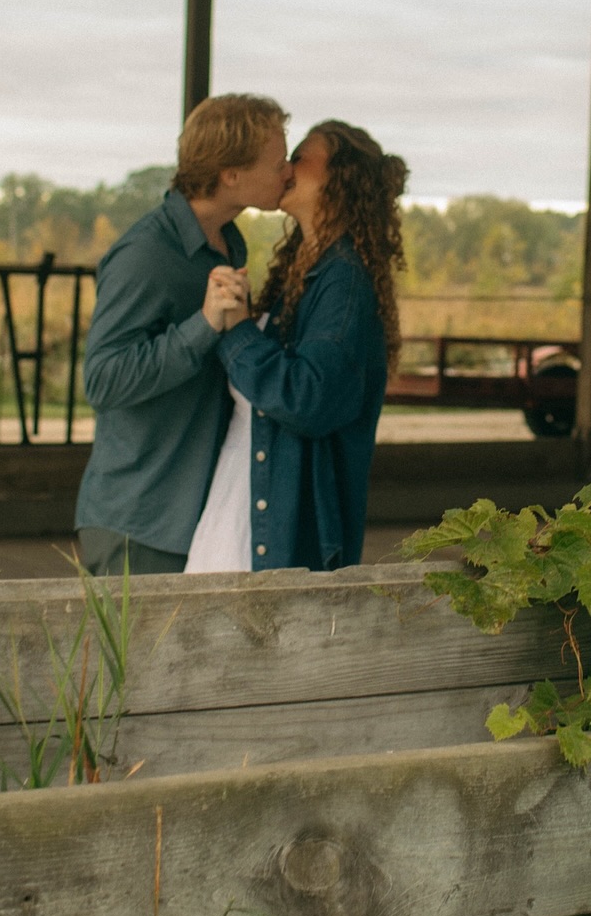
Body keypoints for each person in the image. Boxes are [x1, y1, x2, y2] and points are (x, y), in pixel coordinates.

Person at [75, 93, 292, 575]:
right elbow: (103, 381)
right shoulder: (145, 254)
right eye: (278, 162)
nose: (289, 172)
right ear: (230, 174)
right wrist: (204, 325)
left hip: (199, 518)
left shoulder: (228, 242)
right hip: (141, 524)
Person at [185, 120, 408, 574]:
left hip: (281, 524)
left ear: (338, 179)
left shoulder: (342, 280)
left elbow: (307, 398)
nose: (286, 169)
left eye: (301, 157)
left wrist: (238, 329)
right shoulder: (306, 271)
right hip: (248, 498)